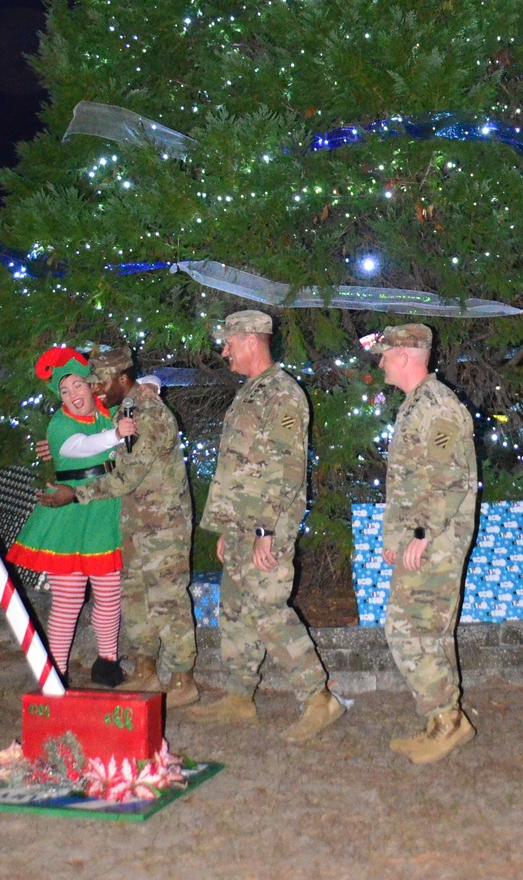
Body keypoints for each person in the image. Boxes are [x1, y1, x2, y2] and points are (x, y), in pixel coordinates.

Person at [192, 310, 343, 738]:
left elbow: (285, 468)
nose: (225, 352)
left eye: (229, 343)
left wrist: (266, 532)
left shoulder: (282, 394)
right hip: (243, 525)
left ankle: (319, 699)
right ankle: (240, 697)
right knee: (236, 609)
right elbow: (243, 468)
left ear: (251, 339)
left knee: (267, 611)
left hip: (267, 525)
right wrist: (228, 526)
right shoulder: (252, 392)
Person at [35, 347, 199, 709]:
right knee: (135, 598)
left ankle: (183, 678)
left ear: (122, 380)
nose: (93, 390)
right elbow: (93, 439)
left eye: (99, 382)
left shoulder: (150, 414)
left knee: (168, 600)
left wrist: (75, 494)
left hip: (163, 524)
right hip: (134, 521)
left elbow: (125, 477)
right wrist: (59, 447)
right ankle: (145, 667)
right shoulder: (126, 407)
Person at [362, 323, 477, 765]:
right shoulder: (416, 406)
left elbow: (452, 479)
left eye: (387, 354)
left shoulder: (438, 407)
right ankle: (441, 720)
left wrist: (423, 532)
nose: (382, 361)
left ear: (407, 356)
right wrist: (397, 535)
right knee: (431, 632)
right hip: (423, 537)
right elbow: (409, 483)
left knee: (407, 629)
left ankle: (447, 720)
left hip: (438, 538)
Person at [9, 346, 135, 687]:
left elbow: (144, 384)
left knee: (110, 594)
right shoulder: (59, 425)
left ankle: (107, 663)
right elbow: (81, 447)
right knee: (68, 600)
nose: (72, 395)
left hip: (106, 513)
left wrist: (145, 391)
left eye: (77, 386)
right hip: (69, 515)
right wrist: (115, 435)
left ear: (91, 385)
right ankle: (55, 672)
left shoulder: (110, 411)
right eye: (64, 390)